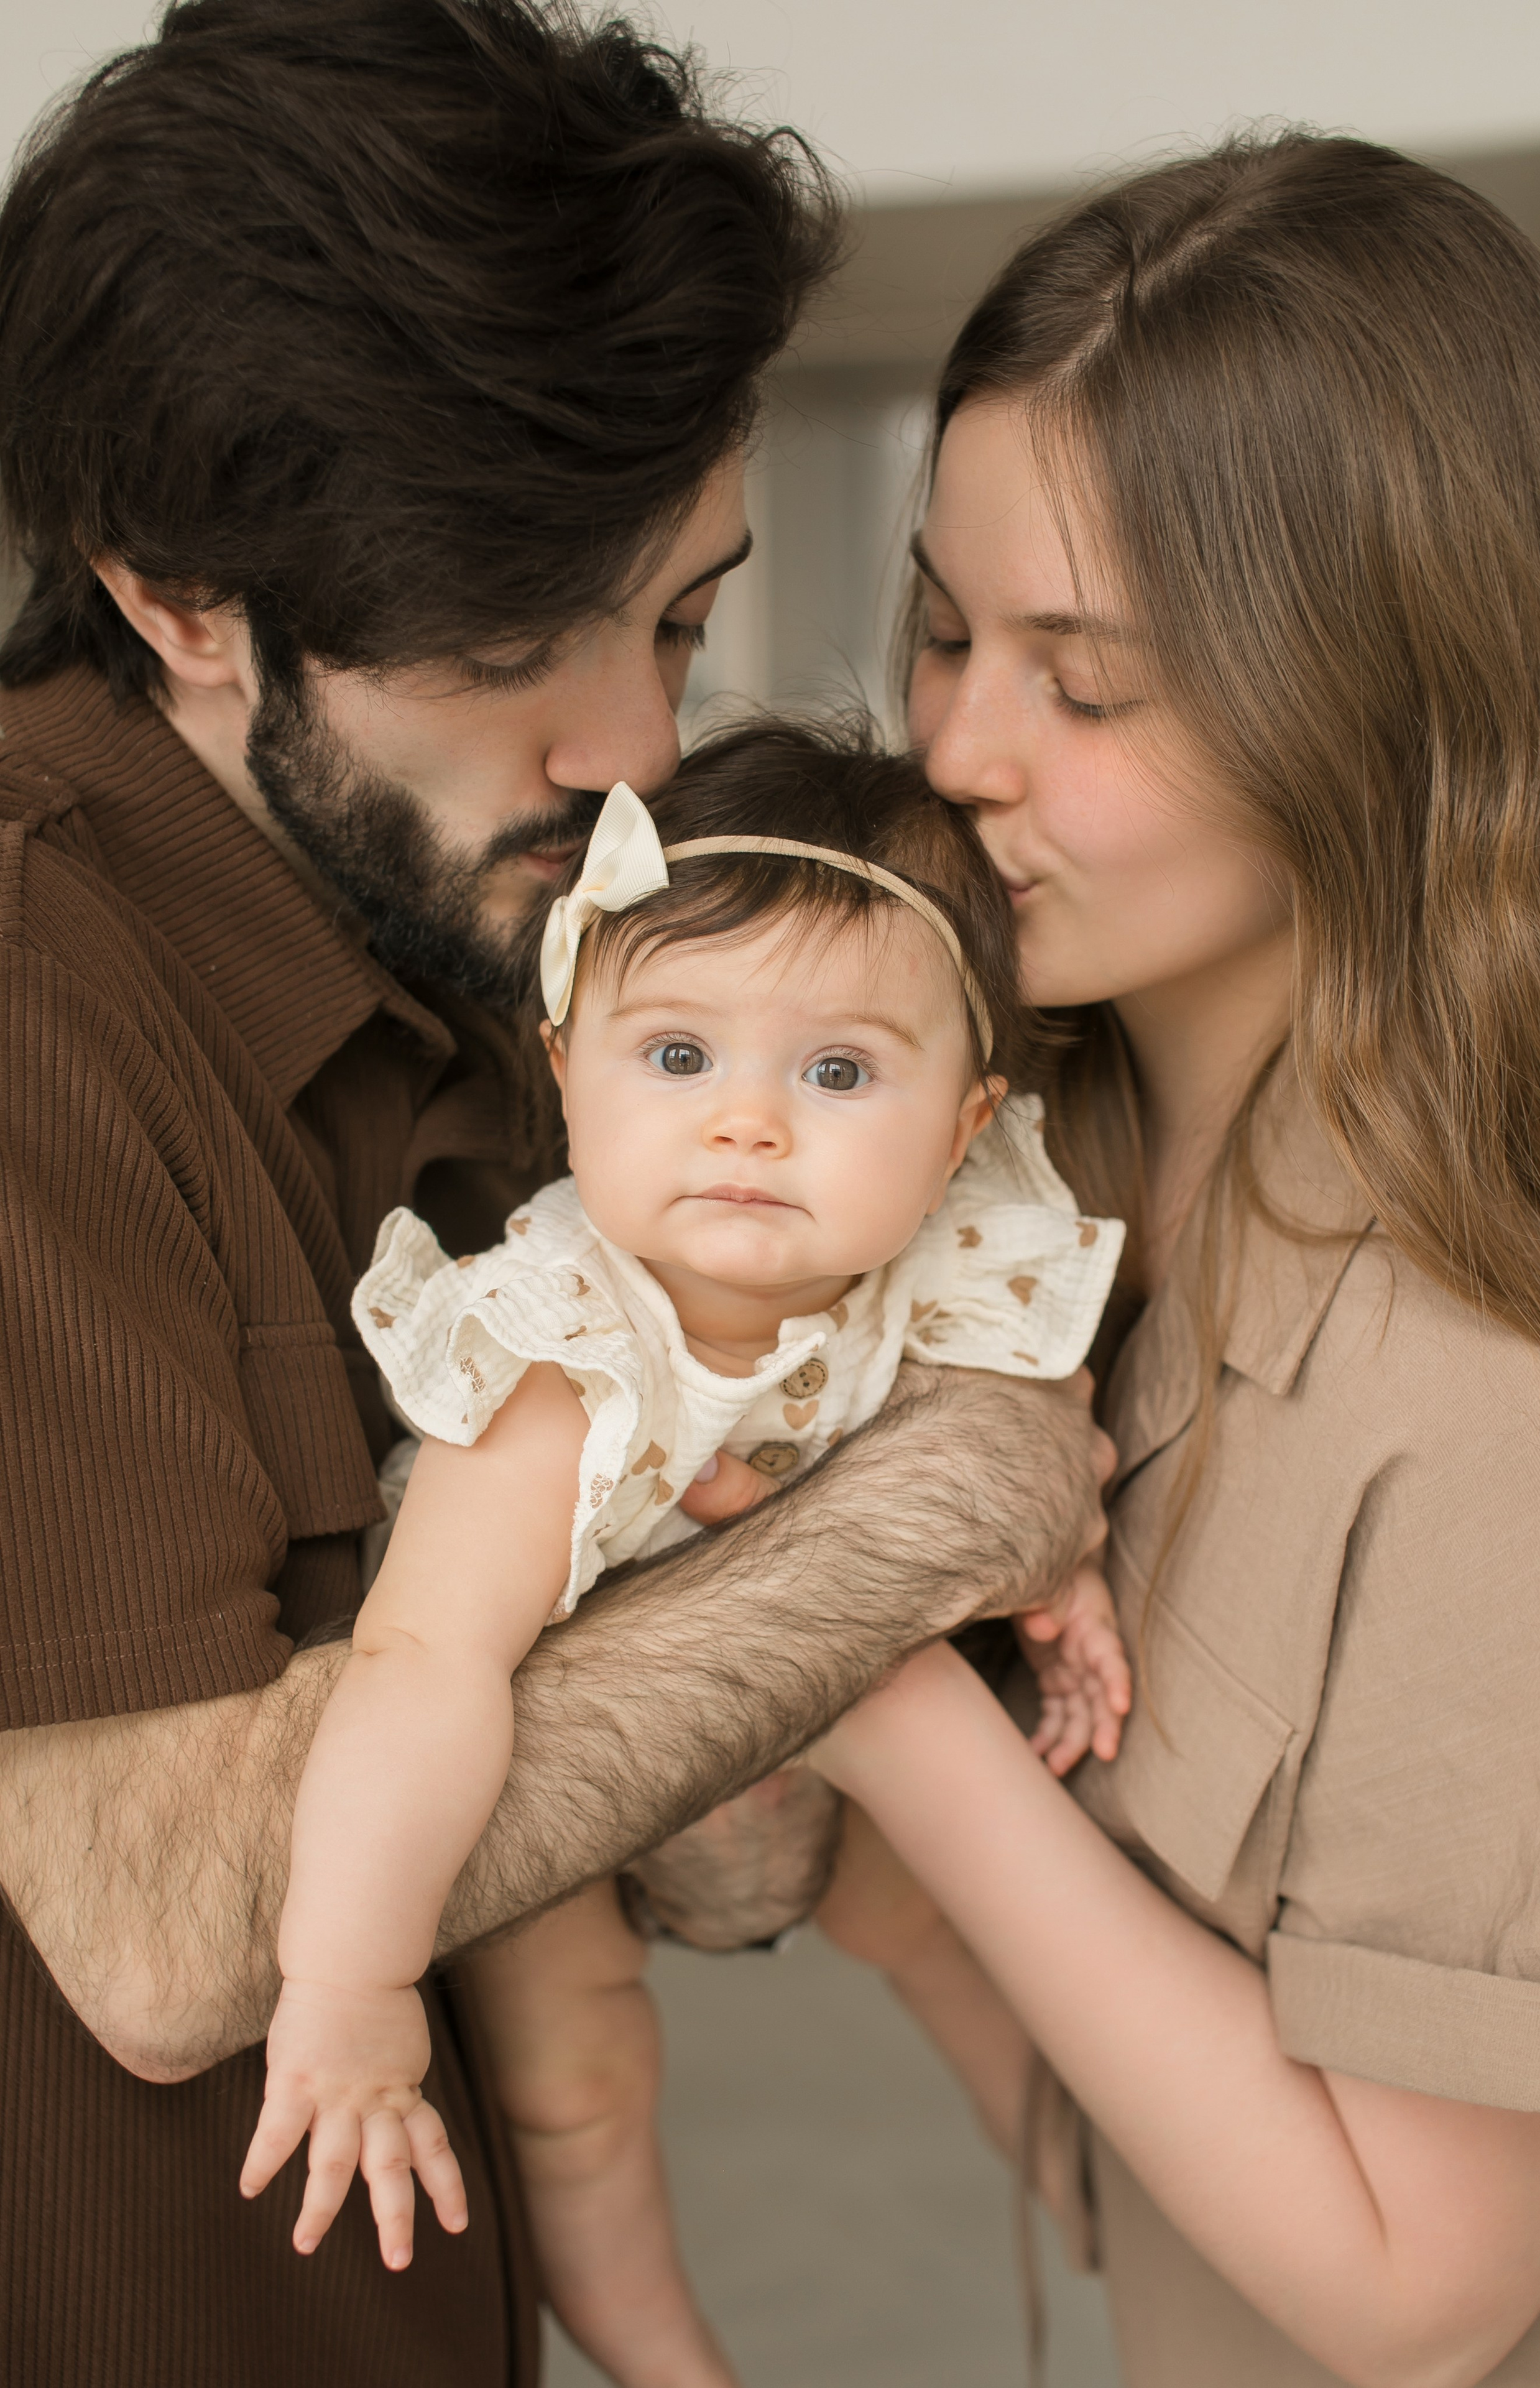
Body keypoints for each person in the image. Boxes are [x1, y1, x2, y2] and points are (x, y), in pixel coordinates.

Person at [0, 9, 1109, 2386]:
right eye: (519, 648)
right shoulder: (30, 986)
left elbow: (730, 1862)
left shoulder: (522, 954)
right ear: (185, 596)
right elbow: (177, 1935)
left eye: (683, 619)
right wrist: (916, 1512)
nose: (637, 762)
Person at [805, 131, 1540, 2387]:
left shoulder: (1483, 1379)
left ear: (1371, 689)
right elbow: (1146, 2141)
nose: (956, 745)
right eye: (948, 631)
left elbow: (1420, 2286)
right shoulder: (1059, 1206)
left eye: (1090, 680)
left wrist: (854, 1682)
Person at [241, 722, 1131, 2387]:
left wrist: (1058, 1578)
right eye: (676, 1057)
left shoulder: (944, 1252)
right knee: (572, 2084)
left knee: (944, 1920)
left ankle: (1110, 2201)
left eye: (840, 1072)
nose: (749, 1126)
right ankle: (676, 2368)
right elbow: (420, 1667)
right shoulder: (560, 1356)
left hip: (805, 1734)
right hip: (541, 1776)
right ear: (566, 1067)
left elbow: (1020, 1407)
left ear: (963, 1125)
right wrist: (350, 1977)